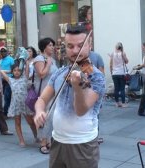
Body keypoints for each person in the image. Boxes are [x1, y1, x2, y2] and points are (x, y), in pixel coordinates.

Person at [34, 24, 105, 167]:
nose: (75, 51)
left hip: (82, 145)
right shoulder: (59, 73)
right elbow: (41, 99)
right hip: (57, 142)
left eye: (80, 45)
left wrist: (77, 88)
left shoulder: (96, 77)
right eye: (70, 46)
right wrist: (39, 111)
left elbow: (81, 110)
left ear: (89, 45)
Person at [1, 60, 37, 147]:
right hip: (16, 105)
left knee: (31, 122)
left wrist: (26, 63)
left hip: (25, 104)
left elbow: (27, 69)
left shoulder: (24, 78)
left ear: (21, 71)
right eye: (15, 70)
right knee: (17, 122)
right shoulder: (10, 80)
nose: (17, 72)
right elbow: (1, 71)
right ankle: (21, 140)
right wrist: (10, 70)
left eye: (18, 70)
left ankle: (36, 136)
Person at [33, 37, 58, 154]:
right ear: (44, 47)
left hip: (53, 92)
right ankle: (42, 142)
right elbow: (42, 74)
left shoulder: (52, 59)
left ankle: (48, 140)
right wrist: (48, 64)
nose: (52, 47)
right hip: (43, 93)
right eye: (50, 45)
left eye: (52, 45)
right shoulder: (39, 58)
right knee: (44, 117)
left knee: (51, 117)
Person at [109, 42, 129, 108]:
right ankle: (123, 103)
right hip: (121, 73)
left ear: (116, 47)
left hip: (114, 73)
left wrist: (111, 72)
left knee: (116, 89)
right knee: (122, 88)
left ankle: (117, 103)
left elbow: (110, 64)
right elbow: (126, 61)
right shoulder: (123, 53)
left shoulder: (112, 54)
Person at [0, 46, 15, 117]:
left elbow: (14, 70)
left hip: (9, 80)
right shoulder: (0, 60)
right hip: (2, 80)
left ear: (7, 52)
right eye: (1, 51)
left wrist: (4, 71)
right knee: (4, 96)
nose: (3, 52)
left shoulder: (11, 59)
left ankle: (5, 113)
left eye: (4, 51)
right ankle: (7, 111)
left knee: (6, 96)